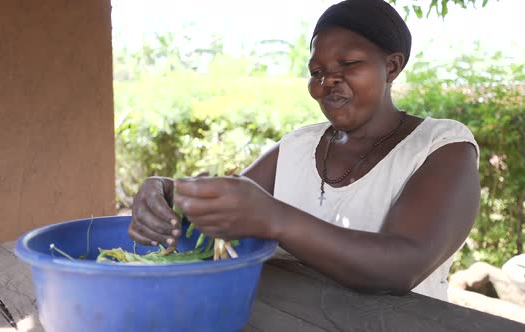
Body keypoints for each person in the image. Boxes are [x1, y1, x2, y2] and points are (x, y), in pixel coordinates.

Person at [128, 0, 480, 301]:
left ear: (391, 66)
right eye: (317, 71)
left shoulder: (442, 146)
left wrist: (277, 219)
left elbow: (402, 268)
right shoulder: (299, 145)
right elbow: (226, 205)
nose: (328, 81)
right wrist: (164, 189)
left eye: (348, 64)